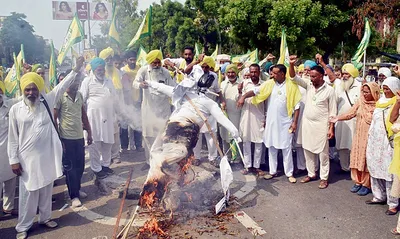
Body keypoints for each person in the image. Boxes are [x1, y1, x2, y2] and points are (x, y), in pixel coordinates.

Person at [8, 58, 83, 239]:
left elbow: (61, 85)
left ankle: (45, 218)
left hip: (47, 156)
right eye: (28, 89)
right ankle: (23, 227)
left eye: (34, 88)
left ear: (40, 88)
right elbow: (12, 137)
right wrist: (13, 160)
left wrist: (75, 70)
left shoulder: (46, 101)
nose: (31, 92)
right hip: (27, 159)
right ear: (23, 90)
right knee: (29, 193)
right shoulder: (16, 110)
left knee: (46, 189)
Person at [238, 64, 301, 183]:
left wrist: (294, 122)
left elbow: (297, 107)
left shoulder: (291, 86)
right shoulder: (270, 84)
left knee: (286, 148)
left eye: (275, 73)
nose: (272, 75)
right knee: (272, 147)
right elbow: (255, 91)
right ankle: (272, 171)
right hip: (272, 122)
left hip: (285, 122)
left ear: (282, 74)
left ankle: (289, 173)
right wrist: (243, 96)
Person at [289, 55, 337, 189]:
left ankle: (324, 178)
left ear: (321, 76)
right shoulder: (309, 85)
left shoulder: (329, 90)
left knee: (323, 154)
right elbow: (293, 78)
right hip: (307, 124)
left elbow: (333, 112)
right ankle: (311, 174)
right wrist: (291, 65)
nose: (311, 79)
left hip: (322, 126)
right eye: (311, 76)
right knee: (308, 150)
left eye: (314, 77)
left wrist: (331, 128)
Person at [330, 82, 380, 196]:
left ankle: (366, 184)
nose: (365, 94)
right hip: (359, 136)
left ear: (374, 92)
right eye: (363, 92)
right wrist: (337, 118)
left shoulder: (379, 105)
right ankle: (358, 182)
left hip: (371, 138)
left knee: (367, 160)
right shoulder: (360, 103)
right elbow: (350, 114)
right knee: (357, 157)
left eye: (367, 92)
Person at [54, 70, 93, 208]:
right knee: (70, 168)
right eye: (73, 82)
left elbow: (83, 115)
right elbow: (54, 117)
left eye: (77, 82)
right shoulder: (60, 96)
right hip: (66, 137)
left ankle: (78, 188)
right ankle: (74, 195)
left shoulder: (80, 95)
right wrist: (58, 139)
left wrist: (89, 131)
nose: (75, 85)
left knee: (80, 165)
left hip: (79, 137)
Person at [365, 76, 400, 215]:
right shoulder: (380, 102)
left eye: (388, 89)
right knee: (374, 168)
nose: (385, 91)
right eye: (384, 88)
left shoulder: (397, 103)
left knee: (389, 172)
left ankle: (393, 203)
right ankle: (378, 196)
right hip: (375, 141)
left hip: (389, 142)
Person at [133, 50, 175, 162]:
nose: (156, 65)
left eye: (158, 63)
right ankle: (149, 161)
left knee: (163, 136)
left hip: (163, 109)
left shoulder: (165, 72)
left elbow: (172, 88)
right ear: (150, 61)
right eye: (154, 63)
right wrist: (140, 85)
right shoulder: (143, 71)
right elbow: (135, 83)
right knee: (148, 136)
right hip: (149, 109)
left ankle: (162, 161)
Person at [80, 58, 116, 179]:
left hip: (108, 115)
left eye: (102, 69)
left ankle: (105, 165)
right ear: (94, 69)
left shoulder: (108, 80)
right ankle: (96, 168)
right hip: (93, 117)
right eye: (98, 69)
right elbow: (82, 100)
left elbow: (114, 97)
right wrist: (82, 119)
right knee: (94, 143)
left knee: (108, 141)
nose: (101, 71)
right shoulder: (87, 81)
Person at [192, 56, 224, 167]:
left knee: (211, 135)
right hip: (197, 109)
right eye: (203, 66)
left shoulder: (214, 76)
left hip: (210, 110)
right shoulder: (196, 73)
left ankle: (213, 157)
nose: (205, 69)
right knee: (197, 135)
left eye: (207, 67)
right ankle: (196, 157)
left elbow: (218, 91)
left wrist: (222, 101)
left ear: (211, 67)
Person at [236, 64, 266, 176]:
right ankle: (247, 166)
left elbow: (267, 102)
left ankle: (257, 166)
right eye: (251, 72)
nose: (253, 74)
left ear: (259, 72)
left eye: (255, 72)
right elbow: (238, 100)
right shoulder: (244, 83)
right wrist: (239, 92)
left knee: (259, 142)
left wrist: (266, 116)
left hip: (259, 116)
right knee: (246, 141)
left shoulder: (264, 84)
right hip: (246, 115)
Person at [333, 63, 362, 173]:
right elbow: (334, 103)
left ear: (352, 74)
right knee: (342, 144)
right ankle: (344, 167)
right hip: (341, 122)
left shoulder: (360, 87)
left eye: (347, 74)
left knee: (354, 145)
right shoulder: (339, 86)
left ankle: (354, 166)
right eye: (343, 74)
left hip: (355, 121)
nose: (344, 76)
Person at [99, 47, 123, 164]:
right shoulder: (98, 73)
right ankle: (104, 157)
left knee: (115, 132)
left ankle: (115, 154)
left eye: (110, 58)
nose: (109, 61)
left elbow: (120, 91)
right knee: (102, 133)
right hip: (101, 109)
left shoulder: (117, 72)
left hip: (114, 108)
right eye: (106, 59)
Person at [0, 81, 19, 217]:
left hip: (8, 151)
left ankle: (8, 207)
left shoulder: (9, 104)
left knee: (11, 179)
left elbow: (23, 98)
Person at [121, 50, 143, 152]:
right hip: (126, 101)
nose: (133, 62)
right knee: (124, 125)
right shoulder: (123, 71)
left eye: (134, 60)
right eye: (131, 60)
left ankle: (138, 146)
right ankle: (125, 147)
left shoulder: (140, 69)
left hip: (137, 99)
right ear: (126, 60)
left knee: (137, 122)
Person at [219, 64, 241, 162]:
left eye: (233, 72)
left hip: (237, 114)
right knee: (224, 136)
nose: (231, 74)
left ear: (236, 73)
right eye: (229, 72)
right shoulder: (223, 84)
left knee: (235, 136)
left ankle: (237, 158)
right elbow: (219, 96)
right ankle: (227, 157)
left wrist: (240, 91)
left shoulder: (241, 84)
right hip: (224, 114)